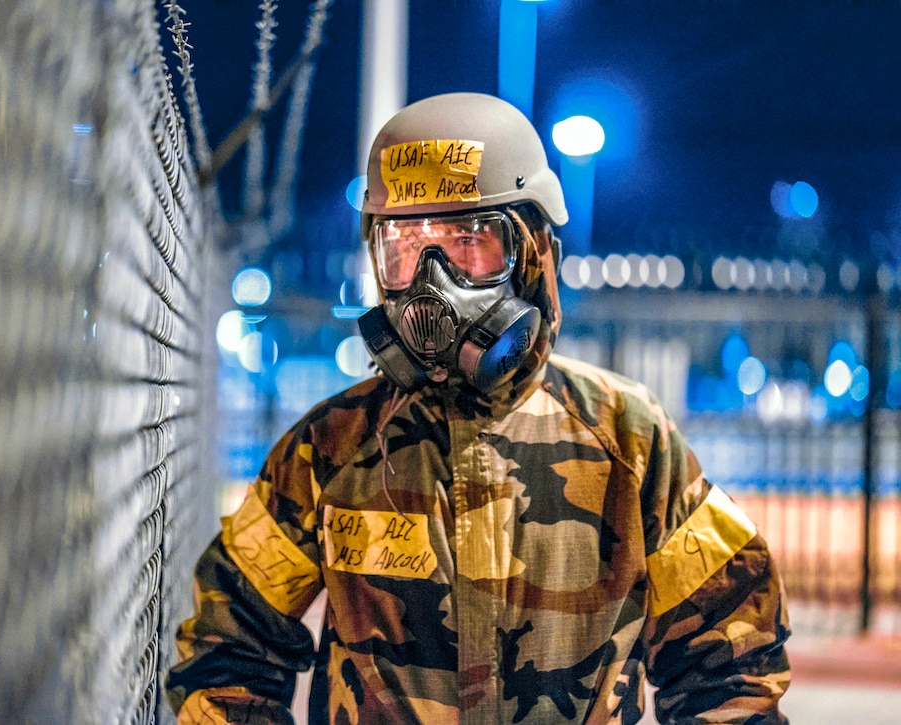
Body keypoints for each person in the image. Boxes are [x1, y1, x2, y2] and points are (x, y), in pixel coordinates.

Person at [166, 92, 791, 724]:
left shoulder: (629, 439)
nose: (432, 280)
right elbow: (228, 645)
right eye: (406, 245)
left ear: (534, 254)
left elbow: (731, 654)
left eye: (469, 241)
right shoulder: (333, 447)